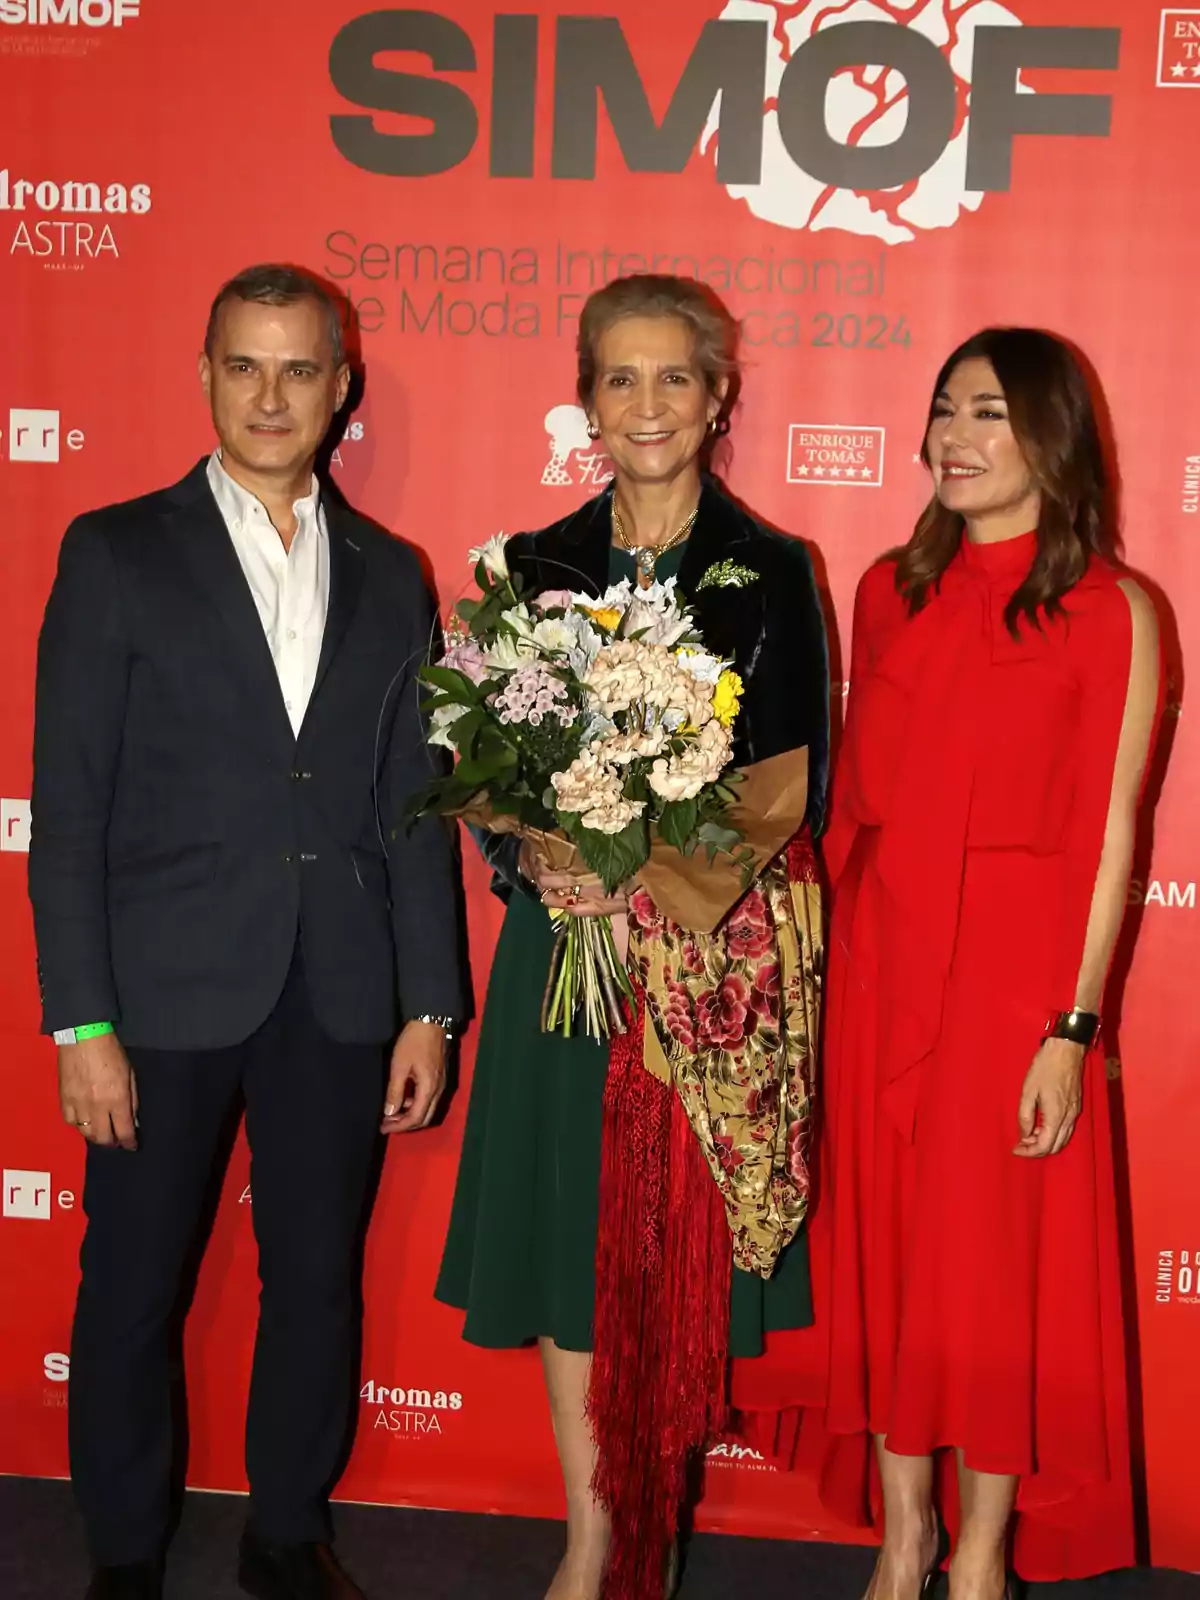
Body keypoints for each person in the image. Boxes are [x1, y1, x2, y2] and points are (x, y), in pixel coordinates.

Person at [29, 264, 466, 1600]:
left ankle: (287, 1532)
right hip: (160, 994)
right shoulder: (115, 549)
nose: (271, 397)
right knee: (134, 1289)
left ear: (344, 387)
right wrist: (82, 1021)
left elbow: (415, 807)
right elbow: (70, 808)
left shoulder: (396, 574)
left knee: (316, 1281)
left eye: (298, 370)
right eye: (243, 366)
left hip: (339, 991)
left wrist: (429, 1004)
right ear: (207, 373)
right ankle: (121, 1552)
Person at [435, 274, 830, 1600]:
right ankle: (591, 1532)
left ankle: (651, 1517)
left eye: (675, 378)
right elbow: (487, 764)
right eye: (620, 378)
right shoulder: (532, 567)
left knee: (667, 1251)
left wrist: (651, 880)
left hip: (696, 975)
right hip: (563, 957)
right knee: (567, 1240)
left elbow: (789, 782)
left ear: (718, 399)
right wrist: (538, 857)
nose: (646, 404)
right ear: (587, 397)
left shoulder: (773, 570)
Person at [810, 327, 1160, 1597]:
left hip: (1016, 983)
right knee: (893, 1255)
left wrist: (1073, 1026)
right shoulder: (884, 588)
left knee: (994, 1267)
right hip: (883, 964)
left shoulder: (1116, 609)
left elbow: (1113, 831)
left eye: (989, 413)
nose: (953, 435)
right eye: (944, 409)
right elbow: (856, 806)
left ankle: (979, 1552)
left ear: (1052, 437)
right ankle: (904, 1537)